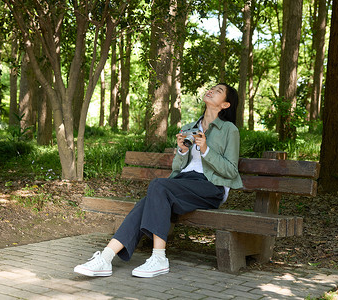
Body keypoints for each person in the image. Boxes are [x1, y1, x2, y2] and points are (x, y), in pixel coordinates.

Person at [74, 83, 243, 278]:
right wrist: (182, 150)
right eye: (212, 88)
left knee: (157, 186)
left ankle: (159, 257)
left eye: (219, 91)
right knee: (149, 201)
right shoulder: (190, 127)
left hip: (211, 187)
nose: (212, 90)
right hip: (183, 183)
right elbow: (177, 168)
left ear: (225, 105)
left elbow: (231, 171)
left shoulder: (229, 130)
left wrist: (205, 150)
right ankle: (105, 258)